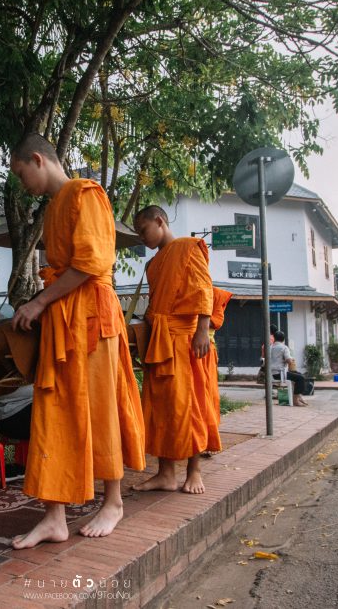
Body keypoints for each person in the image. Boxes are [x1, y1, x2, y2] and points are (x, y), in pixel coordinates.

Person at [9, 133, 146, 548]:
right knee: (55, 410)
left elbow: (90, 264)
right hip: (63, 316)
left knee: (101, 405)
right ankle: (55, 515)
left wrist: (37, 303)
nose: (21, 183)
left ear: (38, 159)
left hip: (92, 318)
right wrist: (42, 305)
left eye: (21, 173)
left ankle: (114, 501)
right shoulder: (54, 207)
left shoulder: (87, 193)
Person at [131, 205, 228, 495]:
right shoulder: (153, 264)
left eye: (143, 230)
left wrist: (201, 331)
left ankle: (194, 470)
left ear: (160, 221)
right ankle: (165, 473)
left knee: (190, 406)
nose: (141, 238)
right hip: (161, 341)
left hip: (187, 340)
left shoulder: (188, 247)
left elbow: (203, 289)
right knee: (162, 409)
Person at [269, 331, 308, 406]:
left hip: (271, 373)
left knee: (297, 374)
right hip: (280, 374)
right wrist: (290, 359)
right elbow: (289, 360)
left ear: (274, 338)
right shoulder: (284, 347)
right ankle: (295, 400)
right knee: (300, 378)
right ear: (283, 339)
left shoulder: (270, 347)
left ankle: (299, 396)